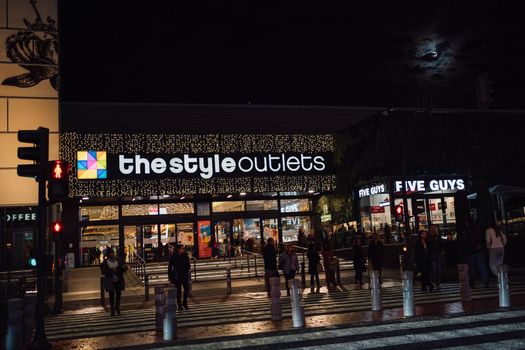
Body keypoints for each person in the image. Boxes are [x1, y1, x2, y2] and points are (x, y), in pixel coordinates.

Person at [464, 217, 489, 288]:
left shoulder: (466, 230)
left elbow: (466, 240)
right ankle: (485, 282)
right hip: (479, 249)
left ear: (467, 223)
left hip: (470, 250)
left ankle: (472, 283)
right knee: (482, 267)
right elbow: (481, 238)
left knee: (471, 268)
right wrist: (479, 245)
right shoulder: (478, 228)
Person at [100, 249, 127, 315]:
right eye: (110, 253)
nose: (112, 255)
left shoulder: (118, 260)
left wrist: (122, 269)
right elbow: (103, 271)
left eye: (113, 253)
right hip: (110, 281)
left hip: (118, 280)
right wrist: (111, 271)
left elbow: (124, 267)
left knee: (118, 295)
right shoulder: (105, 262)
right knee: (111, 296)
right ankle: (112, 309)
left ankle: (117, 307)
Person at [168, 244, 191, 309]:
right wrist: (170, 276)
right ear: (178, 249)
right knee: (178, 291)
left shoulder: (185, 256)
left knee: (186, 289)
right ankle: (179, 304)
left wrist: (187, 270)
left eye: (184, 249)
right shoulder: (174, 256)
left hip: (184, 275)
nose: (183, 250)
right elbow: (170, 267)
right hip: (177, 275)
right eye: (182, 248)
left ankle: (184, 303)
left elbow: (188, 265)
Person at [427, 224, 443, 289]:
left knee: (438, 269)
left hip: (438, 254)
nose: (433, 229)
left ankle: (437, 283)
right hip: (431, 255)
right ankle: (432, 282)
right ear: (430, 229)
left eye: (434, 228)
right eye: (432, 228)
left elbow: (441, 244)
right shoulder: (428, 237)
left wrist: (441, 251)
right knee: (433, 269)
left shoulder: (438, 236)